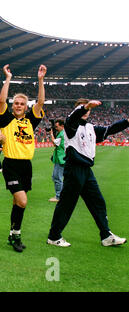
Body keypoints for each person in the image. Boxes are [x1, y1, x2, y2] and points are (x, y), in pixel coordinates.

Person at [47, 99, 129, 247]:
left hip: (86, 171)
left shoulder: (91, 127)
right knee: (67, 204)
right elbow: (73, 117)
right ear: (78, 109)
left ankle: (106, 235)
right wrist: (85, 107)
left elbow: (110, 129)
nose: (86, 112)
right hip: (74, 169)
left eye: (89, 110)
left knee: (98, 202)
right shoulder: (70, 125)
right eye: (83, 109)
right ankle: (53, 236)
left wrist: (127, 121)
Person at [0, 63, 47, 253]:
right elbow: (1, 102)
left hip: (26, 166)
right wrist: (8, 78)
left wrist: (40, 80)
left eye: (22, 104)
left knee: (18, 203)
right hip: (11, 165)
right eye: (16, 103)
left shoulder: (30, 121)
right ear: (13, 105)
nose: (18, 106)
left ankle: (13, 235)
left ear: (26, 107)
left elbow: (40, 103)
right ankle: (16, 234)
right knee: (22, 201)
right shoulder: (6, 119)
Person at [48, 119, 65, 202]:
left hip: (60, 159)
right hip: (63, 158)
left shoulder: (62, 134)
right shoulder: (65, 133)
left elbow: (55, 143)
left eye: (57, 127)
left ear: (62, 126)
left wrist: (51, 134)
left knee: (57, 177)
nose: (56, 128)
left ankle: (59, 196)